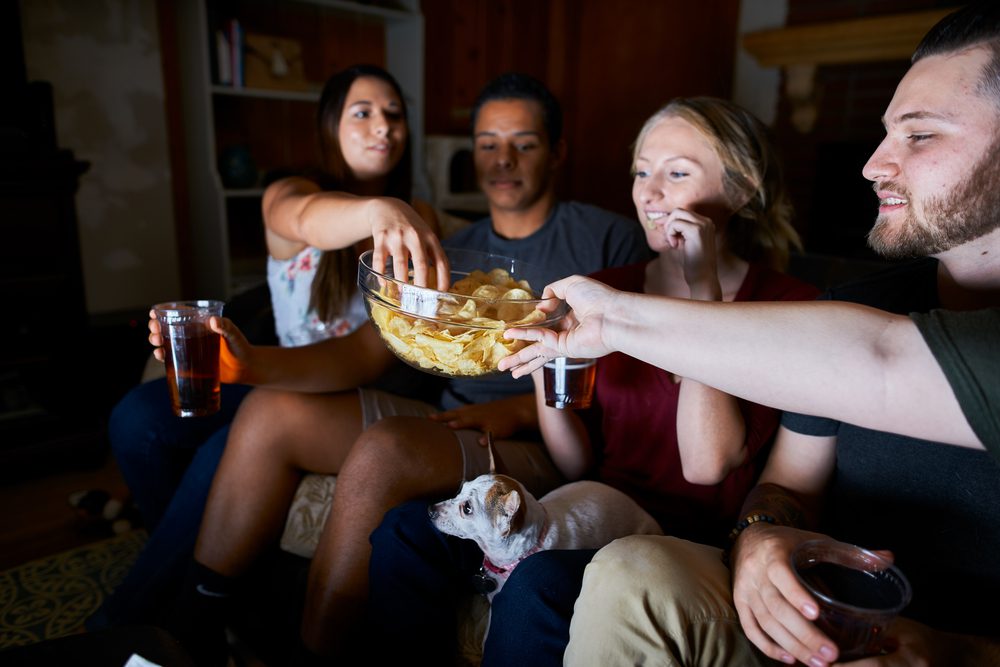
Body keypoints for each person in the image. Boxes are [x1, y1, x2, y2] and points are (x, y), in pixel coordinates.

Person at [500, 4, 1000, 665]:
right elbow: (787, 484)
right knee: (627, 571)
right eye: (884, 134)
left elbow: (881, 360)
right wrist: (762, 534)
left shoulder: (834, 322)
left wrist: (958, 651)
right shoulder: (858, 304)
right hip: (809, 611)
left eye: (920, 136)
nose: (873, 164)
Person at [169, 72, 650, 663]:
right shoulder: (450, 246)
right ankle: (192, 628)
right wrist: (252, 366)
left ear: (556, 152)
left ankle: (310, 655)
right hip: (449, 419)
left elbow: (635, 378)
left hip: (545, 433)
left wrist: (519, 407)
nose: (502, 160)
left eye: (523, 143)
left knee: (385, 448)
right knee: (271, 414)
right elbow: (373, 349)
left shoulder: (610, 241)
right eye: (486, 144)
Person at [364, 96, 820, 665]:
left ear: (742, 188)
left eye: (676, 173)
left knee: (538, 585)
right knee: (405, 532)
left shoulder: (789, 307)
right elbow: (577, 464)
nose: (649, 194)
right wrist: (535, 354)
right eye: (641, 172)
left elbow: (705, 465)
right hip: (595, 508)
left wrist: (703, 290)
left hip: (683, 542)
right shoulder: (607, 288)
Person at [90, 63, 448, 631]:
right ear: (329, 124)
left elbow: (367, 355)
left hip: (333, 391)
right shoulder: (291, 193)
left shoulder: (419, 224)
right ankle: (186, 563)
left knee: (225, 446)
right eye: (363, 112)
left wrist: (399, 214)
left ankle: (131, 626)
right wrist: (382, 210)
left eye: (394, 115)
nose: (383, 127)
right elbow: (305, 218)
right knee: (137, 417)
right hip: (273, 371)